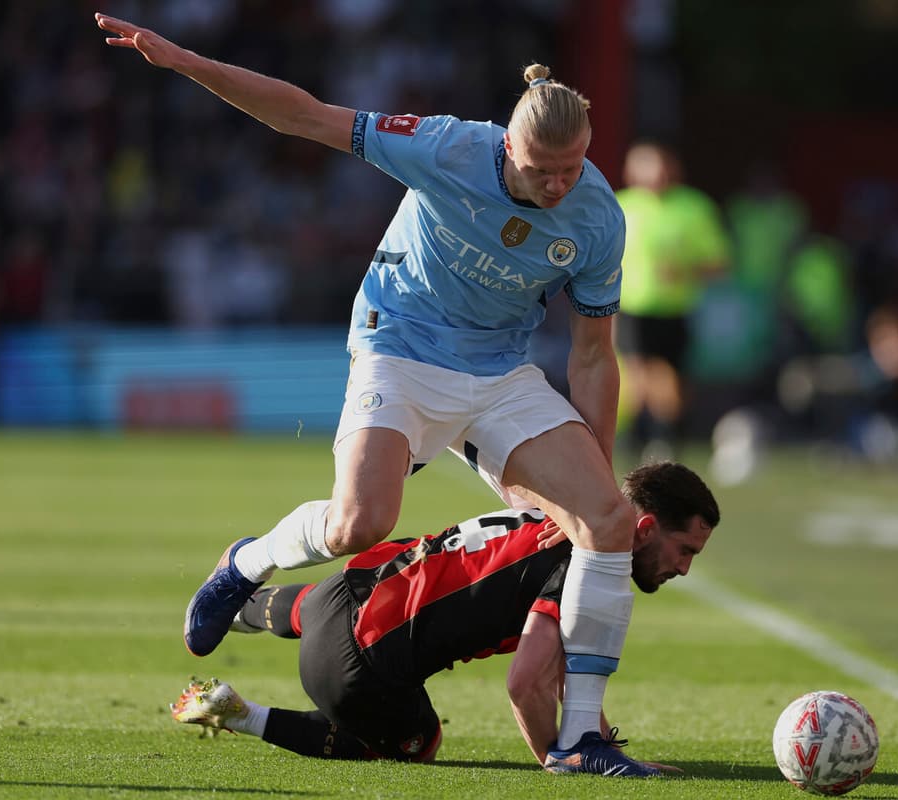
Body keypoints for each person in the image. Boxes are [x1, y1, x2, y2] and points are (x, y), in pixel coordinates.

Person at [94, 13, 645, 776]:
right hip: (401, 347)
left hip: (499, 373)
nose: (559, 186)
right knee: (361, 522)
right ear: (505, 145)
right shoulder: (446, 146)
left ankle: (581, 741)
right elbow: (306, 115)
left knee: (610, 522)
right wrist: (188, 61)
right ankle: (248, 561)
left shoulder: (597, 217)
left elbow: (593, 356)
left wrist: (592, 470)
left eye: (572, 169)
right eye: (541, 171)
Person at [169, 461, 719, 775]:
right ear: (643, 529)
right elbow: (527, 683)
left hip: (341, 592)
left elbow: (557, 670)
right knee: (418, 743)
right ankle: (244, 714)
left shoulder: (553, 508)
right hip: (357, 670)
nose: (685, 569)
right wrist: (562, 758)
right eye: (684, 550)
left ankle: (239, 596)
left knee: (336, 603)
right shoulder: (583, 563)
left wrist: (598, 739)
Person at [614, 141, 730, 460]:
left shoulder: (694, 208)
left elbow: (720, 263)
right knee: (637, 371)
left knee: (670, 377)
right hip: (631, 307)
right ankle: (635, 435)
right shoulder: (619, 206)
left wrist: (684, 270)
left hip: (675, 308)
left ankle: (666, 434)